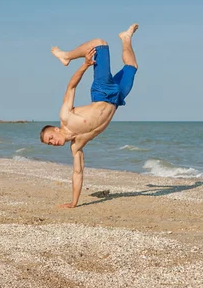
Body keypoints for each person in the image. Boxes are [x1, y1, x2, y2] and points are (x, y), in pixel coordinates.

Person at [40, 23, 139, 208]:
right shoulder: (76, 146)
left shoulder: (66, 116)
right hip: (116, 99)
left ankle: (66, 56)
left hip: (102, 93)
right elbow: (78, 173)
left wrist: (85, 65)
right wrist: (73, 203)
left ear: (55, 129)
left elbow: (71, 87)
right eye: (49, 143)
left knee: (99, 44)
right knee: (132, 65)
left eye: (50, 137)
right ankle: (126, 38)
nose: (52, 142)